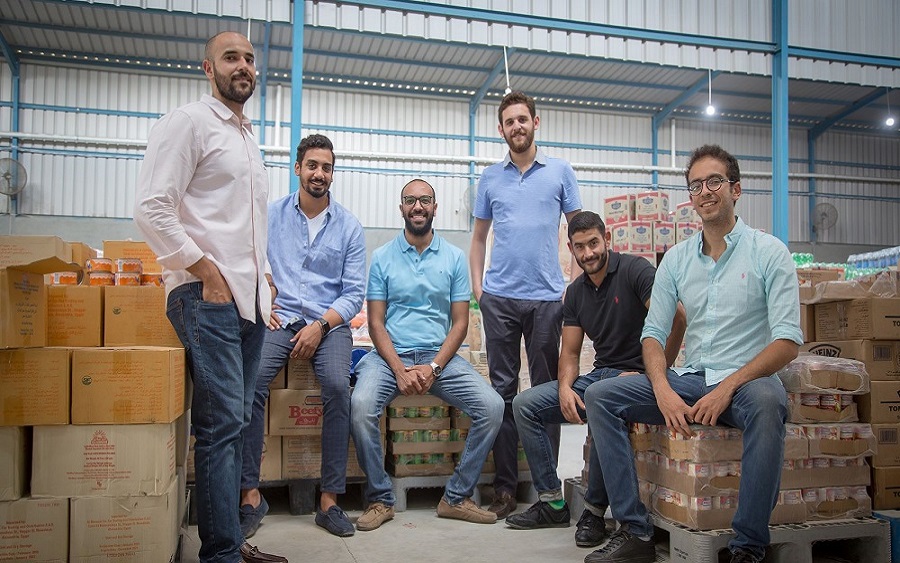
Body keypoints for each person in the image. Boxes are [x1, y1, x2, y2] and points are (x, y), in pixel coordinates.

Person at [583, 145, 802, 563]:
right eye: (696, 185)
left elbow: (787, 341)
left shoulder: (769, 252)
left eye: (714, 181)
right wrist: (662, 388)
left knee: (769, 403)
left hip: (747, 382)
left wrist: (728, 387)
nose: (705, 192)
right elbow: (653, 335)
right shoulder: (677, 260)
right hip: (691, 379)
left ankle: (747, 546)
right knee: (600, 396)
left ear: (736, 189)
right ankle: (635, 531)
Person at [134, 32, 287, 563]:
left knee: (234, 426)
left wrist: (265, 276)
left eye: (249, 59)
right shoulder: (188, 123)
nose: (243, 65)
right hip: (207, 297)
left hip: (248, 303)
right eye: (231, 57)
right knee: (221, 428)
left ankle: (229, 543)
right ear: (207, 67)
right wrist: (206, 271)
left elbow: (247, 224)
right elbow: (152, 207)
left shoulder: (247, 138)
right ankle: (220, 553)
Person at [506, 211, 685, 548]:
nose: (588, 253)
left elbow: (677, 317)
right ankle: (552, 503)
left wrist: (656, 373)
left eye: (593, 243)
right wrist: (563, 388)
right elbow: (571, 352)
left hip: (638, 376)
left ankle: (593, 511)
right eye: (580, 247)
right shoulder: (576, 293)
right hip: (601, 374)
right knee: (524, 404)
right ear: (571, 249)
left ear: (607, 239)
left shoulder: (635, 271)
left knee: (603, 397)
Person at [350, 179, 505, 531]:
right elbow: (375, 323)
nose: (417, 206)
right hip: (389, 358)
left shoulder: (453, 257)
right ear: (401, 208)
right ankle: (381, 498)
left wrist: (434, 367)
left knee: (493, 406)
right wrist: (399, 370)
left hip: (440, 358)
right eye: (410, 200)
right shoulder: (383, 257)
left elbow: (460, 323)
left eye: (424, 200)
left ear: (435, 208)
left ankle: (456, 497)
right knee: (360, 407)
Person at [238, 134, 366, 539]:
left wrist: (321, 326)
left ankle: (329, 500)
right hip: (282, 320)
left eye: (326, 167)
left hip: (329, 324)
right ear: (298, 168)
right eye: (312, 165)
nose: (319, 173)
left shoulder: (349, 227)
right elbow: (253, 262)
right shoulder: (271, 215)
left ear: (333, 173)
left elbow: (353, 293)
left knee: (337, 386)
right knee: (252, 382)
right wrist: (264, 299)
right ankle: (250, 495)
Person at [469, 90, 583, 518]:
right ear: (500, 130)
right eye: (509, 122)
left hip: (547, 301)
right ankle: (504, 488)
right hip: (499, 299)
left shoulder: (560, 172)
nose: (516, 126)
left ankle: (544, 486)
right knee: (502, 393)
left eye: (522, 119)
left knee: (545, 393)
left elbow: (579, 231)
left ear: (536, 122)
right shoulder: (490, 178)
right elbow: (478, 238)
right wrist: (480, 291)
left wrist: (572, 289)